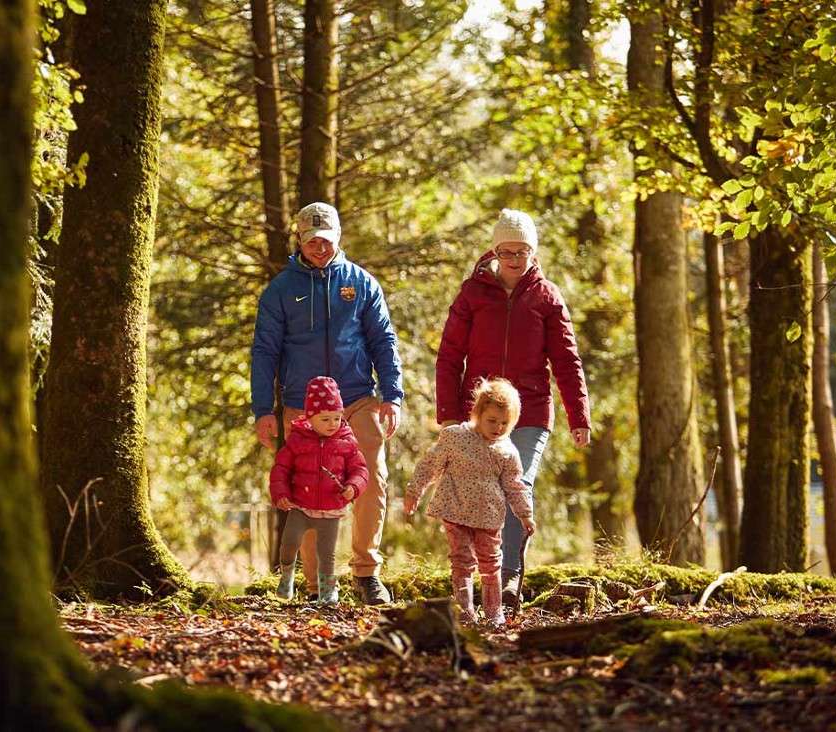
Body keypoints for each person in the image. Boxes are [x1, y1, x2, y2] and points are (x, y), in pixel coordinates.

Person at [435, 208, 591, 608]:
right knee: (479, 489)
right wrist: (449, 414)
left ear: (533, 252)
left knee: (515, 484)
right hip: (479, 413)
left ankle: (509, 577)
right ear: (494, 250)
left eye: (523, 251)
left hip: (530, 413)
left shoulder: (546, 297)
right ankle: (476, 575)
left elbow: (567, 360)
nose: (515, 259)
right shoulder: (472, 293)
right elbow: (450, 356)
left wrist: (579, 416)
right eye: (508, 251)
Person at [251, 201, 404, 605]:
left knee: (372, 475)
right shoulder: (281, 290)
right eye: (313, 241)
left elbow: (383, 341)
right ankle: (320, 583)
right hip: (303, 405)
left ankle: (367, 572)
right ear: (300, 240)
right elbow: (265, 351)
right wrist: (263, 410)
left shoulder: (361, 283)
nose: (320, 249)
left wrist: (392, 395)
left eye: (327, 241)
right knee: (308, 488)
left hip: (356, 398)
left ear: (338, 238)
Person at [403, 378, 533, 625]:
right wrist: (414, 491)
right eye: (492, 420)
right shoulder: (455, 437)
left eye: (505, 423)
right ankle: (465, 612)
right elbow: (430, 465)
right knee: (461, 560)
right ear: (478, 414)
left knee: (491, 562)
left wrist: (525, 514)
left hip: (488, 515)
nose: (497, 427)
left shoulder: (507, 452)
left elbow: (515, 486)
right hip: (455, 509)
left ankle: (494, 612)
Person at [270, 377, 369, 604]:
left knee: (326, 554)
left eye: (337, 417)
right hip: (300, 506)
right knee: (289, 543)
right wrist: (281, 495)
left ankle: (327, 592)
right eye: (325, 419)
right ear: (310, 417)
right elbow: (280, 469)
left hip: (330, 509)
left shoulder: (346, 441)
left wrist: (353, 487)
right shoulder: (297, 439)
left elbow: (361, 470)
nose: (333, 423)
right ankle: (287, 579)